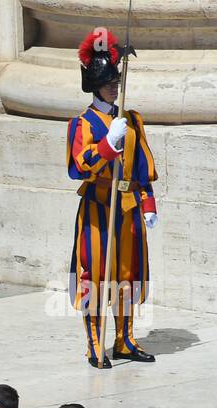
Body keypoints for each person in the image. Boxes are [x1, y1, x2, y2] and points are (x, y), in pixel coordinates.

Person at [69, 27, 159, 368]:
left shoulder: (131, 119)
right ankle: (95, 344)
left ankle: (124, 340)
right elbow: (78, 167)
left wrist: (148, 205)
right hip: (97, 209)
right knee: (94, 275)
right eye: (108, 80)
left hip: (129, 209)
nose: (114, 85)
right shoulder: (82, 124)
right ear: (94, 83)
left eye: (115, 79)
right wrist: (108, 144)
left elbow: (141, 169)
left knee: (127, 273)